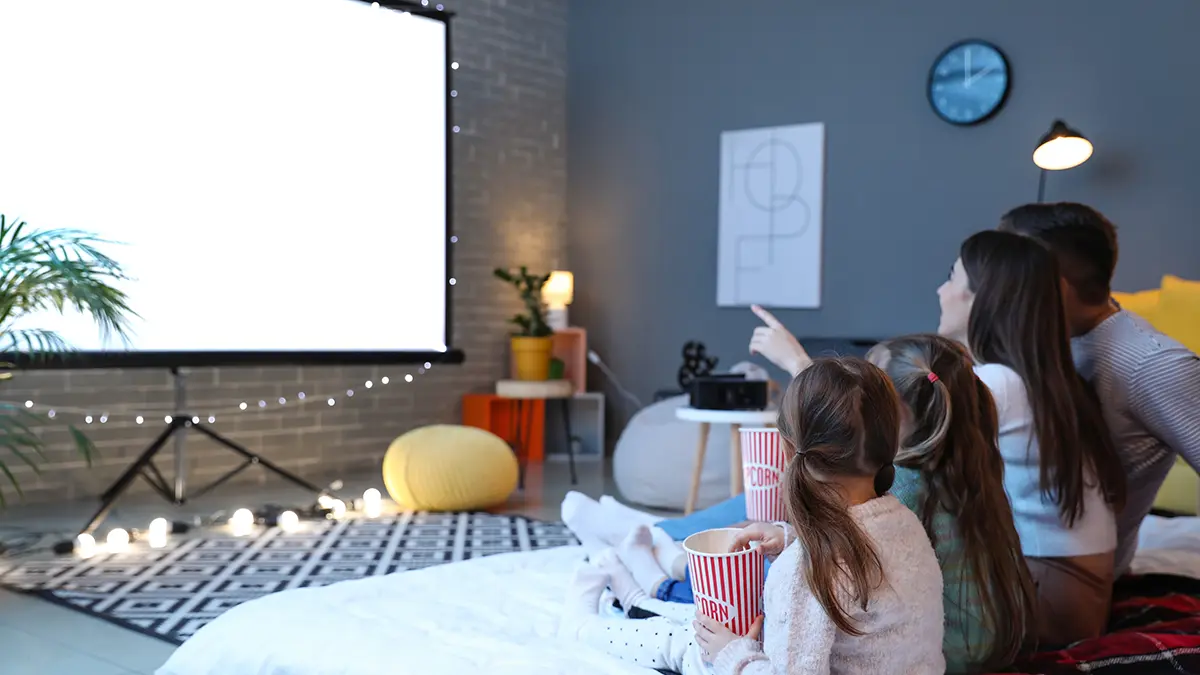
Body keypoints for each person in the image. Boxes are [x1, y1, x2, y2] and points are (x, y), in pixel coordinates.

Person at [557, 357, 946, 674]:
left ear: (787, 450)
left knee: (688, 640)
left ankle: (582, 627)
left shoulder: (806, 571)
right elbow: (863, 580)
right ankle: (635, 591)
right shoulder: (905, 523)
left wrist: (733, 653)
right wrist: (791, 538)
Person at [998, 203, 1200, 578]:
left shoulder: (1152, 364)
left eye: (1008, 266)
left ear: (1049, 280)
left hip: (1066, 584)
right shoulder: (1037, 340)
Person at [865, 334, 1037, 672]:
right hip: (993, 646)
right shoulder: (975, 473)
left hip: (943, 657)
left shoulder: (899, 487)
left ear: (896, 413)